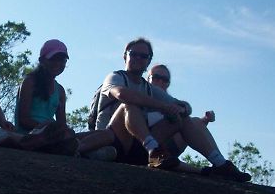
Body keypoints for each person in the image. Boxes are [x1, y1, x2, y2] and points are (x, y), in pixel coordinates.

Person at [79, 37, 251, 183]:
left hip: (138, 148)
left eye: (144, 56)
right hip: (113, 140)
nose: (138, 58)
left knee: (183, 119)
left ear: (148, 60)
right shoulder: (115, 77)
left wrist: (180, 109)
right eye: (134, 54)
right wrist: (163, 107)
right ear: (125, 56)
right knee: (129, 105)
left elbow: (184, 107)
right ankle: (154, 151)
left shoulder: (149, 88)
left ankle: (220, 164)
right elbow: (122, 94)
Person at [146, 64, 215, 174]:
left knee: (195, 121)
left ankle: (219, 163)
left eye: (165, 80)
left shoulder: (170, 102)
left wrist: (205, 120)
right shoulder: (139, 96)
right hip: (146, 147)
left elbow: (187, 111)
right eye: (156, 77)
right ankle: (203, 170)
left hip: (166, 147)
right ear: (147, 79)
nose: (160, 82)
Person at [15, 39, 78, 155]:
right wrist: (46, 128)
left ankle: (80, 148)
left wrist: (59, 131)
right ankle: (81, 150)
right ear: (42, 60)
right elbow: (23, 119)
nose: (58, 63)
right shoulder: (29, 82)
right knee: (60, 136)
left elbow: (62, 124)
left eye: (62, 60)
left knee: (104, 134)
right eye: (53, 58)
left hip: (54, 133)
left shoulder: (60, 91)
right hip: (30, 134)